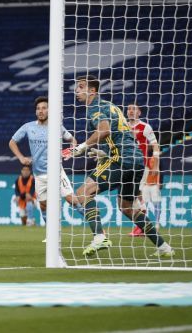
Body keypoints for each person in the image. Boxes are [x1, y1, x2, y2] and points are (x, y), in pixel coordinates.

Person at [64, 75, 172, 258]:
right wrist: (102, 152)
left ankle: (99, 237)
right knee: (127, 207)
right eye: (77, 87)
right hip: (137, 161)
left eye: (81, 87)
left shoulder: (95, 108)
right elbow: (121, 135)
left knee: (83, 193)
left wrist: (84, 146)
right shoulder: (112, 106)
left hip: (120, 159)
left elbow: (104, 129)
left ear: (92, 91)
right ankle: (163, 247)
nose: (76, 90)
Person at [9, 96, 80, 235]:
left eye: (44, 108)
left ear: (49, 110)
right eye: (38, 109)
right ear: (36, 112)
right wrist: (21, 157)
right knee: (42, 205)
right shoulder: (28, 127)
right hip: (39, 174)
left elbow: (73, 140)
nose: (40, 111)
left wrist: (70, 152)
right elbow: (12, 142)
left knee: (71, 200)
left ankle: (97, 232)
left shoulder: (57, 126)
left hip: (56, 172)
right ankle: (52, 236)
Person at [127, 103, 162, 236]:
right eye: (129, 109)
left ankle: (141, 226)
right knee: (133, 195)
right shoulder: (123, 126)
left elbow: (155, 146)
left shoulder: (145, 127)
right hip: (125, 165)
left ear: (139, 112)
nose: (130, 111)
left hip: (141, 165)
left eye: (134, 109)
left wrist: (156, 165)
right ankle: (143, 225)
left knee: (137, 193)